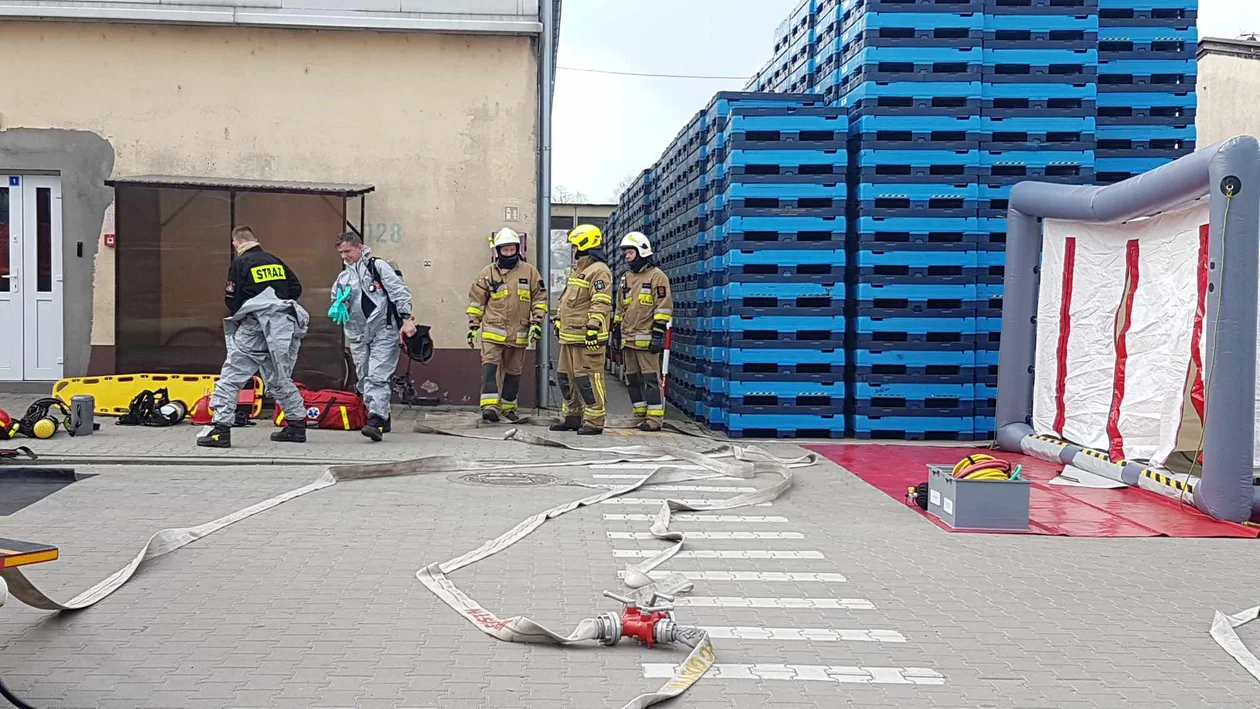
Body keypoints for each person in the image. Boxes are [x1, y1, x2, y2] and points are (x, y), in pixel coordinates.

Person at [198, 226, 309, 448]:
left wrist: (248, 313)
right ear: (255, 240)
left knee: (232, 376)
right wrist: (276, 304)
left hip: (254, 328)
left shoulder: (240, 263)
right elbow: (296, 288)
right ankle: (297, 426)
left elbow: (232, 298)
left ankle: (221, 430)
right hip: (281, 329)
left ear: (235, 244)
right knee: (279, 377)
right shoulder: (275, 260)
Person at [329, 232, 416, 441]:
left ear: (360, 247)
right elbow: (339, 297)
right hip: (358, 334)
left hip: (383, 330)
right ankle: (382, 417)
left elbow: (399, 291)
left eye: (347, 251)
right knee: (364, 377)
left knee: (377, 375)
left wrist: (405, 319)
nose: (344, 256)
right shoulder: (344, 277)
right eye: (341, 252)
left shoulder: (378, 267)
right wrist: (340, 304)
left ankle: (375, 419)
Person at [465, 227, 548, 422]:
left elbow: (540, 299)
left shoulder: (529, 272)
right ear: (498, 251)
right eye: (505, 250)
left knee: (513, 373)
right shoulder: (487, 274)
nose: (509, 254)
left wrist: (537, 322)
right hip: (493, 333)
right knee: (490, 370)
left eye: (512, 250)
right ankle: (489, 408)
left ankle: (509, 407)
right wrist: (472, 326)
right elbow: (476, 301)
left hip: (519, 332)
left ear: (517, 249)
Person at [551, 224, 613, 435]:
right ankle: (572, 417)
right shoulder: (580, 270)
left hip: (587, 339)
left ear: (584, 245)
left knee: (588, 380)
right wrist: (559, 320)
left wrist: (593, 327)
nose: (573, 250)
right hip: (570, 337)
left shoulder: (599, 272)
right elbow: (567, 300)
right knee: (565, 378)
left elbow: (601, 302)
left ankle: (595, 421)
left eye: (575, 245)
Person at [613, 232, 673, 431]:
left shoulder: (658, 277)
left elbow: (664, 307)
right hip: (628, 340)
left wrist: (658, 334)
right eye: (626, 253)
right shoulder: (626, 278)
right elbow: (620, 307)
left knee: (650, 380)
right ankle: (639, 416)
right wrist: (616, 331)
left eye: (630, 253)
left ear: (641, 252)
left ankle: (654, 420)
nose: (627, 257)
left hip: (647, 340)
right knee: (632, 379)